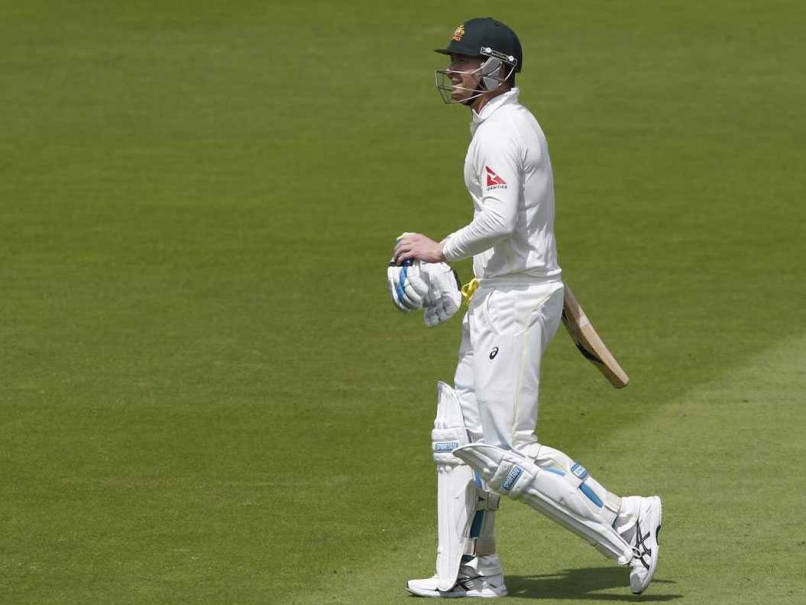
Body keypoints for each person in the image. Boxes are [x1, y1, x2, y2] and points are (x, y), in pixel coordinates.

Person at [390, 17, 662, 598]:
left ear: (496, 69)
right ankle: (474, 568)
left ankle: (626, 520)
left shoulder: (500, 131)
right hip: (503, 294)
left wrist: (441, 250)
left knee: (507, 451)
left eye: (464, 62)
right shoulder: (499, 124)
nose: (453, 70)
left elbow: (500, 218)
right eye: (453, 61)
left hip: (516, 301)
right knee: (458, 434)